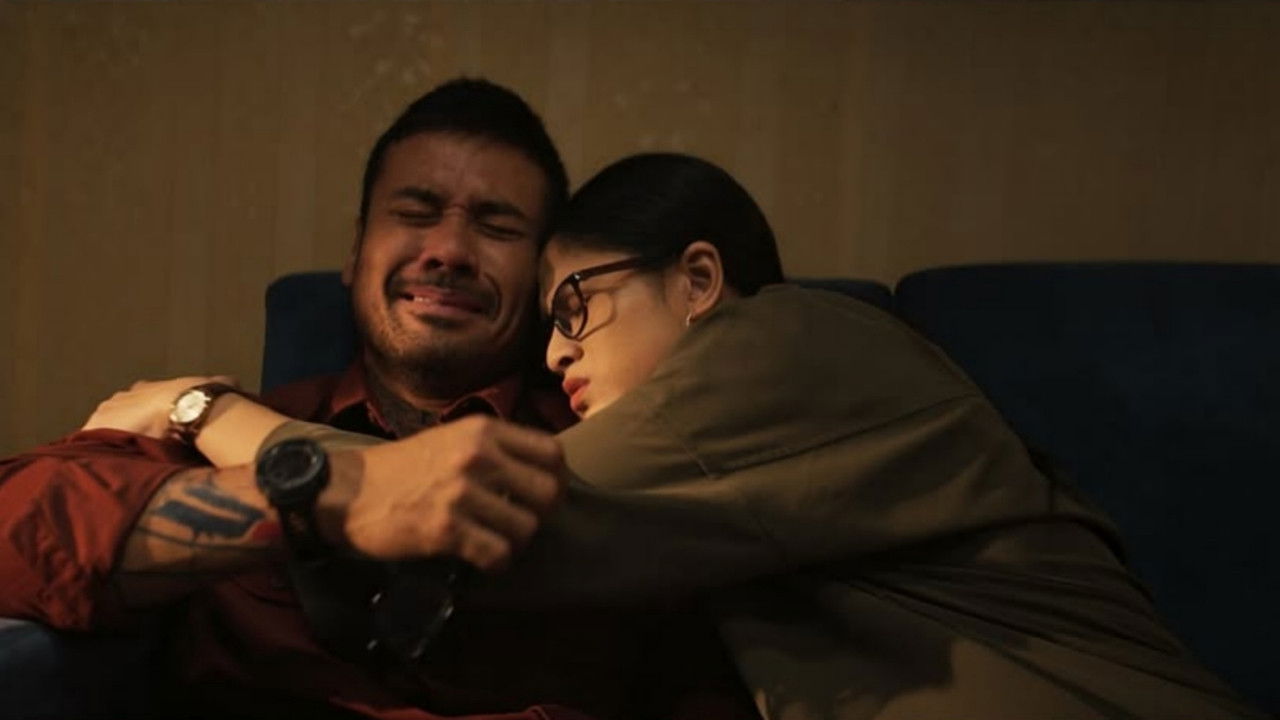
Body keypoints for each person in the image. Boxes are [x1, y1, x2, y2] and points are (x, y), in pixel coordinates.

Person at [96, 153, 1265, 719]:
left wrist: (201, 410)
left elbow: (472, 516)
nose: (557, 356)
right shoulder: (734, 470)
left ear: (698, 279)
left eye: (574, 307)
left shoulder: (785, 341)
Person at [0, 78, 719, 720]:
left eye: (497, 227)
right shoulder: (213, 432)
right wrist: (328, 493)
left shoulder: (616, 448)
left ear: (542, 281)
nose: (449, 251)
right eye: (416, 212)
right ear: (355, 253)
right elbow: (20, 526)